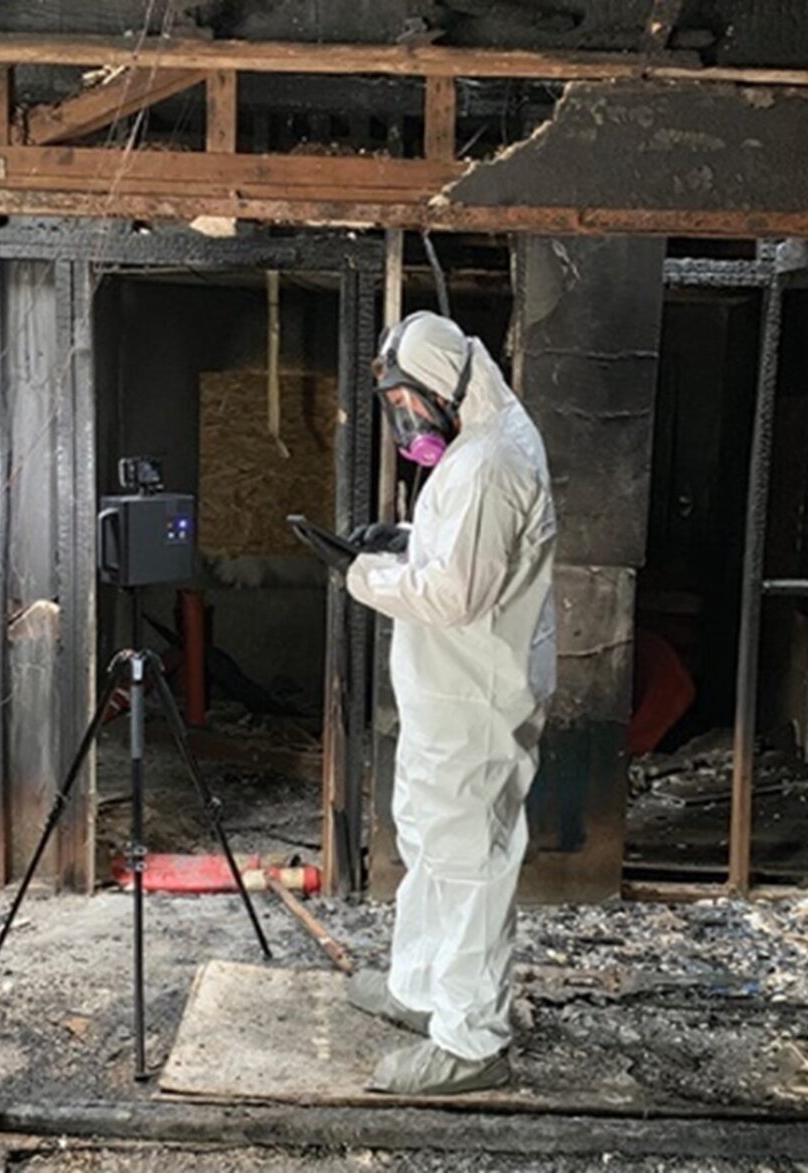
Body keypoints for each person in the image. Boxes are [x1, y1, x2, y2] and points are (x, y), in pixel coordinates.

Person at [320, 310, 556, 1096]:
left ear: (445, 387)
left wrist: (359, 574)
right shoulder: (476, 441)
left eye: (407, 404)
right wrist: (402, 537)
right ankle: (420, 988)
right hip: (449, 692)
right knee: (429, 842)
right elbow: (460, 544)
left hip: (476, 696)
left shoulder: (491, 461)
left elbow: (456, 591)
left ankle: (472, 1039)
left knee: (466, 867)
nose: (405, 423)